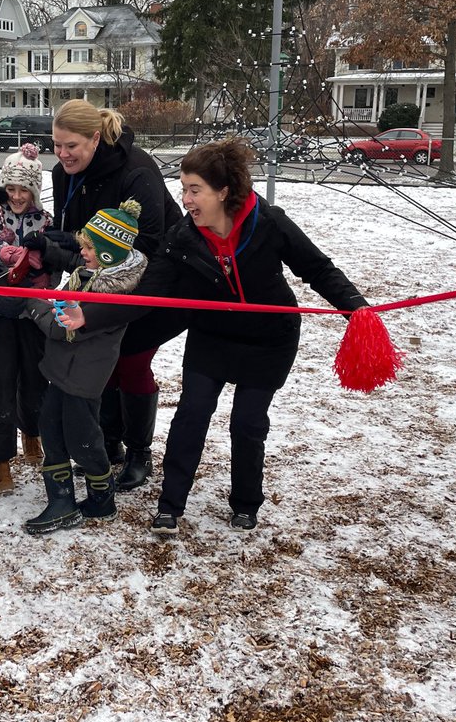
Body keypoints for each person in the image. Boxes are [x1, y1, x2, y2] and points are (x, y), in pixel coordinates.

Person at [83, 139, 370, 535]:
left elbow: (317, 268)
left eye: (194, 189)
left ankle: (246, 503)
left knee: (247, 422)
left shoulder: (268, 222)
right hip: (213, 334)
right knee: (192, 414)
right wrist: (89, 316)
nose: (185, 200)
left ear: (223, 192)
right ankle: (170, 505)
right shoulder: (183, 237)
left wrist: (355, 307)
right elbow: (148, 294)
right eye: (183, 189)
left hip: (269, 339)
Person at [23, 99, 183, 494]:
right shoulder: (64, 173)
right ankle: (109, 443)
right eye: (56, 145)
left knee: (131, 361)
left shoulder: (137, 170)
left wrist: (74, 252)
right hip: (97, 279)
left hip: (151, 280)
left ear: (95, 139)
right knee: (101, 363)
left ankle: (139, 451)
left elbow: (149, 244)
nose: (62, 154)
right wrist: (57, 249)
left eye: (71, 145)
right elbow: (76, 232)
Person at [19, 200, 148, 535]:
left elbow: (63, 327)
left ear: (108, 253)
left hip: (83, 376)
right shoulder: (85, 276)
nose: (82, 252)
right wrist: (43, 298)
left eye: (90, 248)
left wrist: (31, 301)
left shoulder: (112, 292)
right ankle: (61, 501)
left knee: (83, 437)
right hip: (62, 370)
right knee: (50, 428)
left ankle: (102, 499)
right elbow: (60, 304)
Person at [0, 143, 53, 493]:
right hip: (0, 309)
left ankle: (32, 432)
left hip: (33, 312)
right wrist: (3, 252)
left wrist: (44, 264)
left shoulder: (46, 220)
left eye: (24, 189)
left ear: (34, 190)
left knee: (35, 380)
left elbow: (55, 259)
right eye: (11, 188)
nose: (17, 196)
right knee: (0, 383)